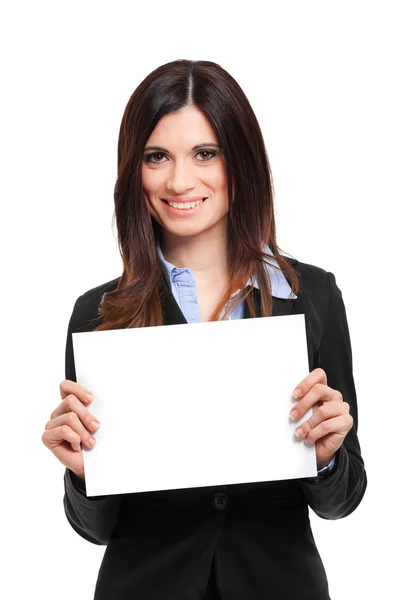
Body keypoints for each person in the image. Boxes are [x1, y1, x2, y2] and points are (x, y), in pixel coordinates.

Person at [41, 59, 367, 600]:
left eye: (205, 154)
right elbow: (95, 529)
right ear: (134, 169)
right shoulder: (97, 313)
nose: (179, 181)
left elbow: (343, 500)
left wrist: (328, 456)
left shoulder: (311, 297)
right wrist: (82, 475)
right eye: (156, 156)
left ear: (239, 161)